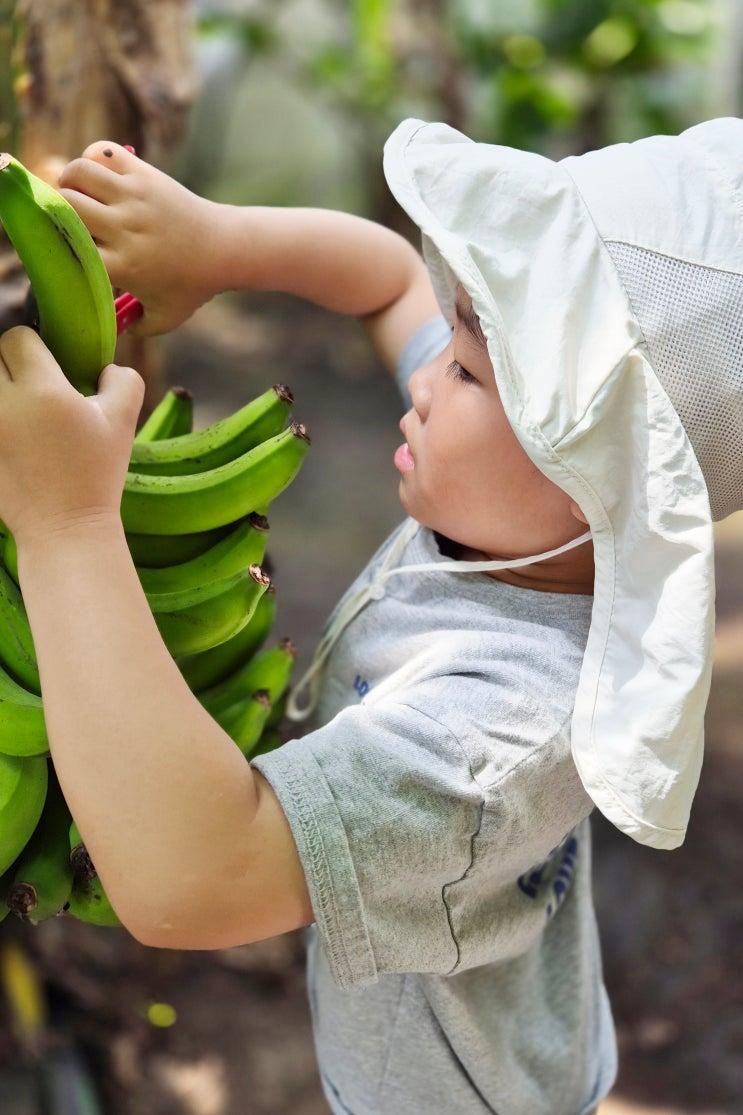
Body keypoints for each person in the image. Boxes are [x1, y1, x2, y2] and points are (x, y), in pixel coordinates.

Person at [0, 112, 739, 1115]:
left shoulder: (494, 737)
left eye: (470, 369)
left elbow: (194, 877)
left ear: (595, 485)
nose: (428, 374)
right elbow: (389, 275)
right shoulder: (528, 518)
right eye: (458, 330)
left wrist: (64, 519)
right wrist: (216, 242)